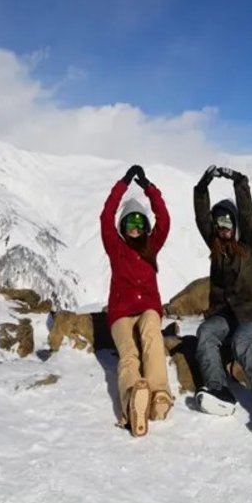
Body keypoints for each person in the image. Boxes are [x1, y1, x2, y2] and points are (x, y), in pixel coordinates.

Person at [192, 164, 252, 433]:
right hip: (226, 314)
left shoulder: (248, 245)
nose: (222, 228)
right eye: (218, 223)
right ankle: (218, 390)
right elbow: (201, 217)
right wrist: (203, 187)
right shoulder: (215, 246)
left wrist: (239, 182)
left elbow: (248, 215)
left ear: (235, 225)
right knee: (206, 333)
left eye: (227, 222)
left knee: (241, 345)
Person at [101, 164, 174, 437]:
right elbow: (105, 216)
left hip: (148, 309)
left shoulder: (151, 246)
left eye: (138, 222)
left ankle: (159, 396)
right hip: (120, 313)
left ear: (145, 226)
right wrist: (122, 185)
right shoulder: (115, 248)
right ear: (123, 226)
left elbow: (164, 219)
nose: (134, 228)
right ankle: (133, 398)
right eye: (129, 223)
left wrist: (149, 188)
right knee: (129, 354)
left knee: (151, 335)